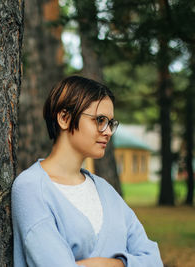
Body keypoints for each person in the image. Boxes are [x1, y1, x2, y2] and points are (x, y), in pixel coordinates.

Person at [12, 76, 163, 267]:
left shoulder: (105, 190)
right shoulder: (31, 188)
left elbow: (153, 259)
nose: (108, 131)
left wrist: (113, 264)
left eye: (110, 123)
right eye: (100, 120)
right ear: (64, 118)